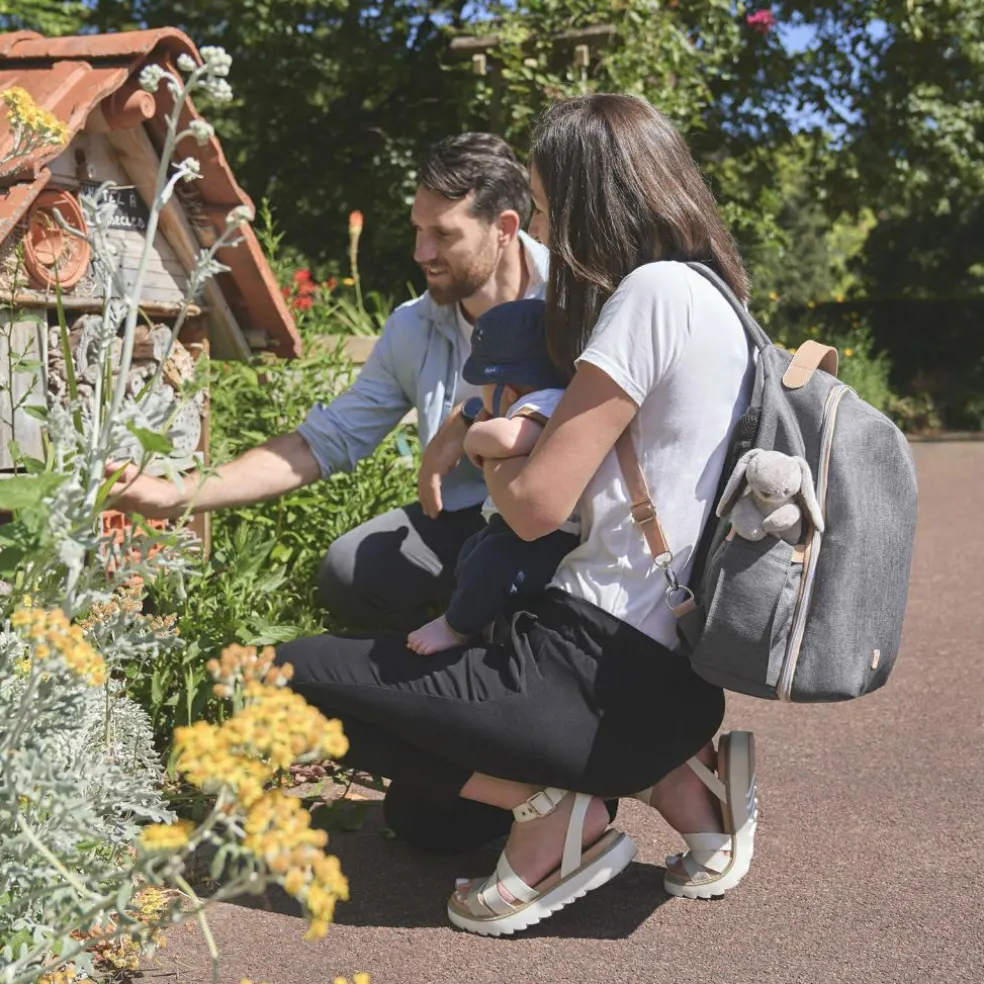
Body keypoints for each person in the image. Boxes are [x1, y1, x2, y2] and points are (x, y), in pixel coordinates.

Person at [271, 93, 759, 936]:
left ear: (586, 201)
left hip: (588, 665)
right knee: (425, 823)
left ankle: (554, 814)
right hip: (676, 672)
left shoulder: (645, 298)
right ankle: (683, 780)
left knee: (282, 674)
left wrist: (483, 447)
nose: (538, 220)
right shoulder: (721, 298)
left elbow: (534, 510)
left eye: (541, 201)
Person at [106, 132, 550, 853]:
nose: (422, 252)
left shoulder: (576, 302)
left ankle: (538, 734)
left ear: (505, 228)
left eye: (443, 234)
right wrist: (174, 494)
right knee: (354, 569)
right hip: (469, 519)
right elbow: (325, 440)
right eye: (416, 229)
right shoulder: (415, 325)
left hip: (560, 526)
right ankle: (445, 704)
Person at [407, 298, 579, 655]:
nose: (481, 399)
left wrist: (474, 437)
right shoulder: (547, 397)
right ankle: (478, 621)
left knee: (492, 567)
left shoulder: (546, 401)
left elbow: (513, 438)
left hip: (546, 538)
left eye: (484, 387)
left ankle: (457, 627)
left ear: (509, 388)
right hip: (521, 529)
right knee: (474, 554)